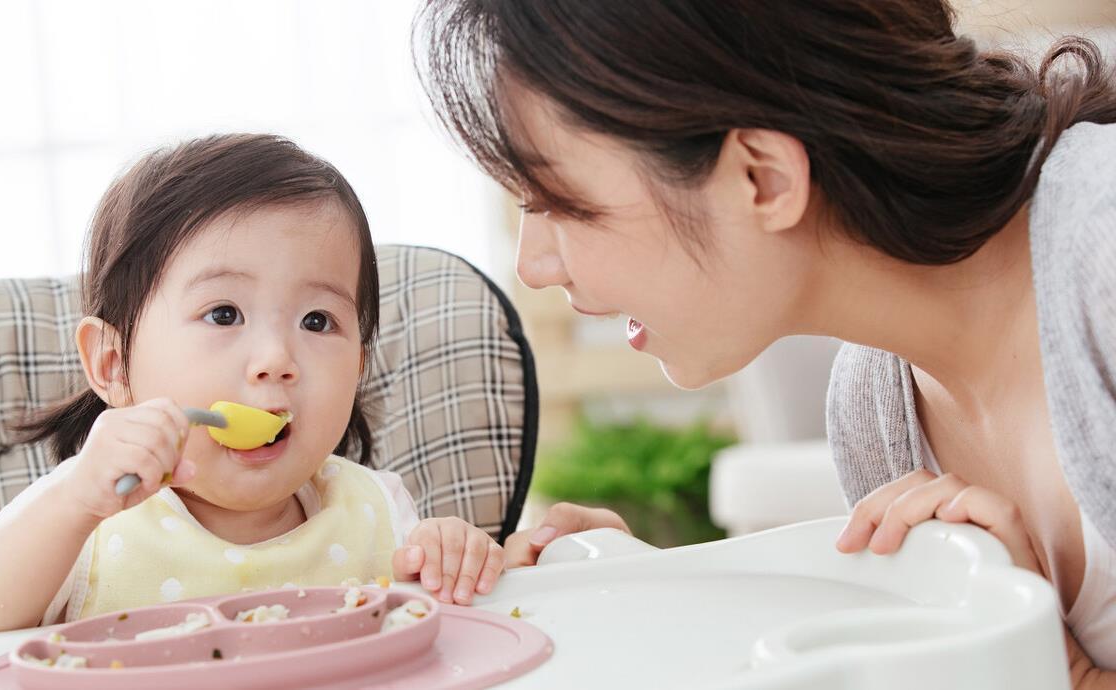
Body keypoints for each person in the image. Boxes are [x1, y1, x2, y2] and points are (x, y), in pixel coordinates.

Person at [414, 1, 1116, 684]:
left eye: (559, 204)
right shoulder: (875, 408)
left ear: (763, 178)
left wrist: (1066, 672)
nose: (533, 267)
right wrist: (659, 593)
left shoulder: (1102, 251)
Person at [0, 134, 505, 639]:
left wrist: (455, 560)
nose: (276, 360)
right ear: (114, 365)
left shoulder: (380, 513)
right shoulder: (83, 518)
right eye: (224, 314)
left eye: (317, 321)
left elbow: (447, 637)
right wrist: (71, 506)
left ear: (358, 366)